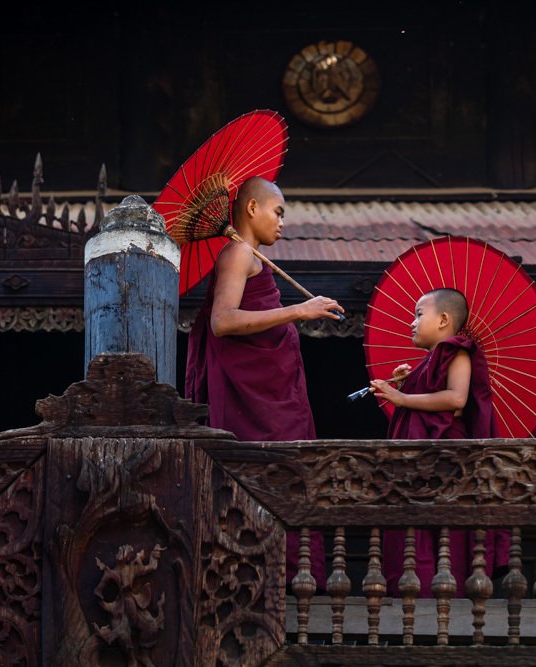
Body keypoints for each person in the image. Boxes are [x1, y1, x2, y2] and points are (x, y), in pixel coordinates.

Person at [185, 176, 344, 586]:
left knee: (285, 480)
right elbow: (223, 322)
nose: (282, 222)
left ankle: (283, 574)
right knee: (269, 480)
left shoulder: (250, 255)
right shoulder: (238, 253)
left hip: (274, 398)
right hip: (254, 405)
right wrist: (298, 312)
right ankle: (264, 574)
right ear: (252, 209)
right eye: (278, 211)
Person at [370, 287, 509, 597]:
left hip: (447, 462)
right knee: (413, 536)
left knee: (442, 535)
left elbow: (456, 399)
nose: (413, 322)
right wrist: (408, 383)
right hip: (419, 462)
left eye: (419, 314)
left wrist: (403, 397)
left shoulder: (457, 350)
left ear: (444, 319)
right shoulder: (430, 359)